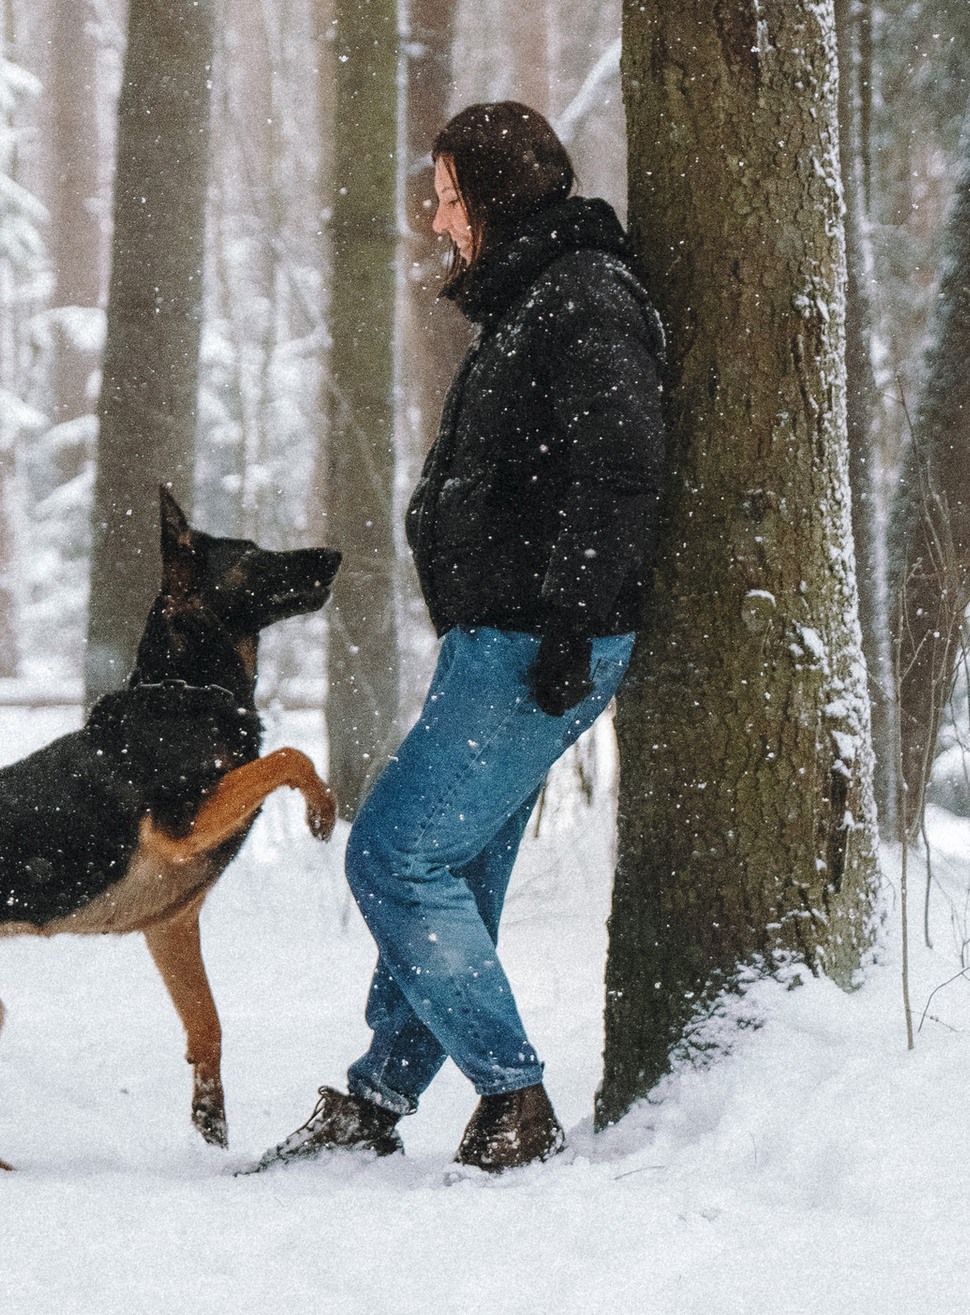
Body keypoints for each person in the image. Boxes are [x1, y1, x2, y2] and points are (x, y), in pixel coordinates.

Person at [255, 98, 665, 1175]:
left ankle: (513, 1100)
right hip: (504, 638)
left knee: (392, 856)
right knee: (455, 871)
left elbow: (619, 473)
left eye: (444, 197)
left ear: (489, 197)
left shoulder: (581, 300)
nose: (435, 221)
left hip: (537, 642)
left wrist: (570, 624)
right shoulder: (538, 299)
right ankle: (378, 1097)